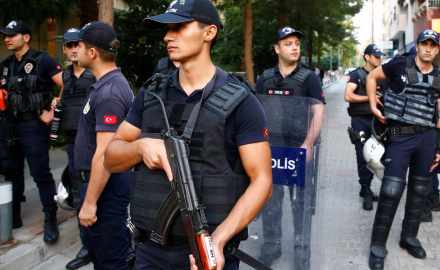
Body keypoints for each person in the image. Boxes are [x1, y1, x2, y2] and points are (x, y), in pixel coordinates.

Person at [103, 0, 273, 269]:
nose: (168, 36)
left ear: (209, 33)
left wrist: (217, 241)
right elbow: (110, 158)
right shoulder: (150, 94)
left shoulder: (242, 103)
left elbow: (262, 181)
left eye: (180, 27)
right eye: (167, 28)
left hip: (208, 253)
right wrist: (140, 148)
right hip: (149, 251)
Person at [366, 29, 440, 270]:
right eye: (425, 44)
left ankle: (409, 237)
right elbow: (372, 77)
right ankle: (377, 247)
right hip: (399, 138)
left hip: (427, 139)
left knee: (420, 190)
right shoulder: (399, 65)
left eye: (433, 45)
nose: (428, 49)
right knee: (391, 190)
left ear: (437, 50)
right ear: (419, 45)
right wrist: (372, 104)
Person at [0, 20, 63, 243]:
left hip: (33, 126)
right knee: (10, 173)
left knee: (41, 173)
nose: (7, 38)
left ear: (26, 37)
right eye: (5, 35)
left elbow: (67, 84)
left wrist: (51, 111)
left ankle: (50, 218)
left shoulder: (42, 61)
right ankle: (12, 217)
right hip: (9, 125)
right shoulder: (5, 65)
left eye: (12, 35)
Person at [254, 26, 325, 268]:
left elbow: (319, 111)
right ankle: (271, 245)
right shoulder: (265, 78)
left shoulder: (309, 78)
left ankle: (301, 250)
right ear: (277, 49)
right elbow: (255, 111)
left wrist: (308, 145)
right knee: (270, 200)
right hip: (271, 150)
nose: (294, 47)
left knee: (301, 204)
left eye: (296, 43)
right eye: (288, 43)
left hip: (298, 150)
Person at [73, 21, 134, 269]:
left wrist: (90, 202)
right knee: (100, 255)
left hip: (106, 189)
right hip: (100, 186)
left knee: (111, 260)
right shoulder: (105, 85)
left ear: (92, 52)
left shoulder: (109, 92)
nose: (74, 50)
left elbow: (104, 154)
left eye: (79, 45)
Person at [55, 27, 93, 270]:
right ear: (64, 49)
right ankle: (87, 245)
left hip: (95, 144)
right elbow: (60, 104)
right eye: (69, 45)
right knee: (79, 195)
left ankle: (115, 241)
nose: (73, 49)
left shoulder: (95, 74)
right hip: (73, 143)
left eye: (77, 44)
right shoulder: (65, 77)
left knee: (104, 193)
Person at [344, 44, 387, 211]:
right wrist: (370, 98)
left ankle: (372, 187)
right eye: (376, 56)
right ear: (367, 57)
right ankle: (366, 189)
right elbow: (348, 95)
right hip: (360, 121)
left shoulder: (384, 75)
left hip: (379, 122)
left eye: (380, 56)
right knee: (363, 155)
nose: (379, 59)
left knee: (378, 156)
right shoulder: (356, 75)